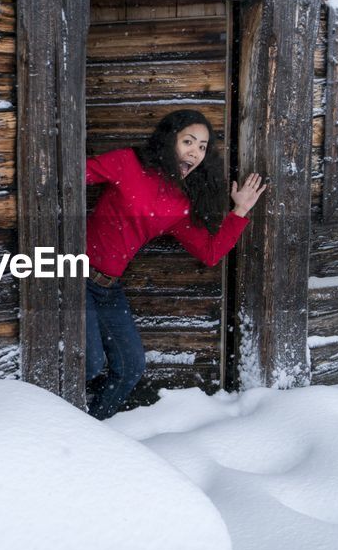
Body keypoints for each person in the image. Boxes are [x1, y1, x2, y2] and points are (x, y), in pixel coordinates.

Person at [84, 109, 265, 420]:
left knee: (130, 367)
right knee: (89, 363)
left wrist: (240, 211)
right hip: (72, 274)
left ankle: (91, 426)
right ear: (170, 142)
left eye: (202, 147)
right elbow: (71, 176)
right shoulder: (126, 163)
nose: (195, 152)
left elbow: (210, 252)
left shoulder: (179, 205)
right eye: (188, 142)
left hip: (108, 288)